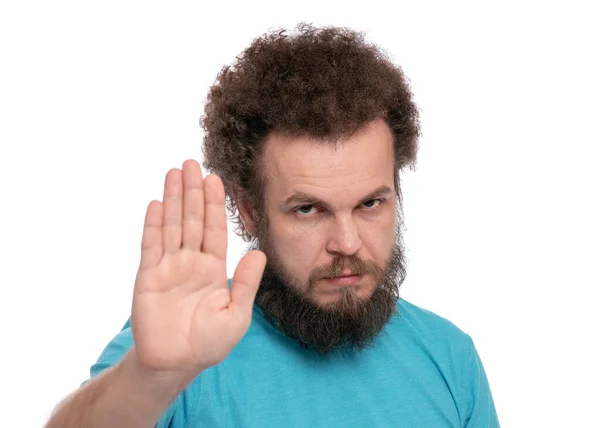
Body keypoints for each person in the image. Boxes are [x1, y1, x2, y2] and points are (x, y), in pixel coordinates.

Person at [46, 23, 499, 427]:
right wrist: (151, 375)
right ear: (248, 210)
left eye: (369, 203)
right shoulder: (186, 346)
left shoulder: (448, 357)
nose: (347, 242)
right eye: (308, 210)